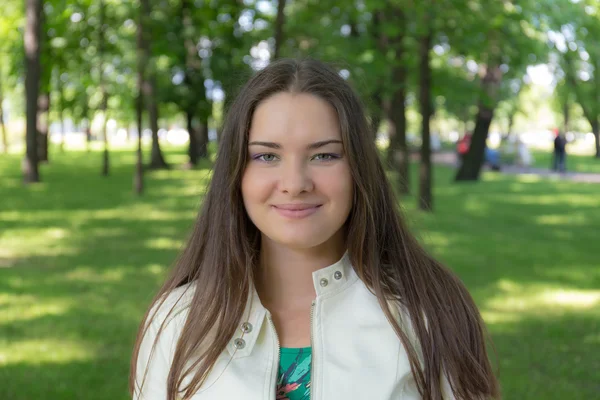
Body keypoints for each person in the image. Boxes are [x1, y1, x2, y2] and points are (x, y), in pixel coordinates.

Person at [129, 59, 500, 400]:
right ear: (236, 172)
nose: (294, 183)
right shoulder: (177, 321)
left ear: (359, 169)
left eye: (324, 155)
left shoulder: (429, 312)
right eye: (266, 156)